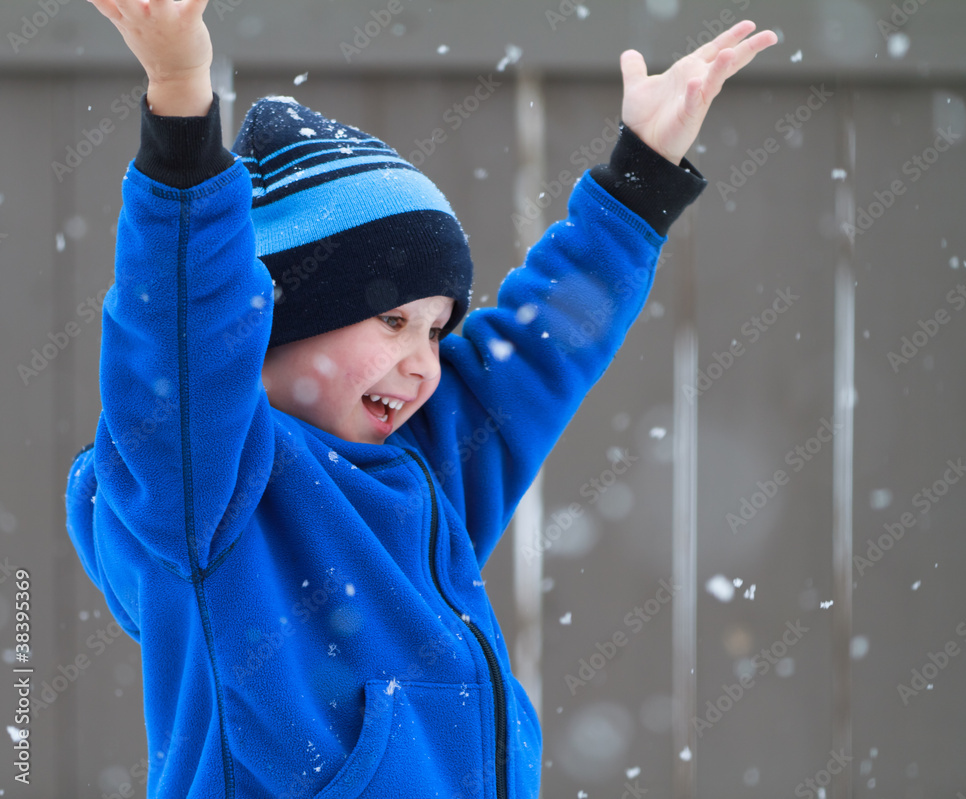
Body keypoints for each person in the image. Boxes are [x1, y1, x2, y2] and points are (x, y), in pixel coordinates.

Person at [66, 1, 776, 796]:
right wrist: (179, 91)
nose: (422, 364)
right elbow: (180, 328)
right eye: (393, 319)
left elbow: (537, 353)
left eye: (437, 330)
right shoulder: (203, 491)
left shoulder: (424, 464)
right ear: (277, 315)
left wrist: (640, 174)